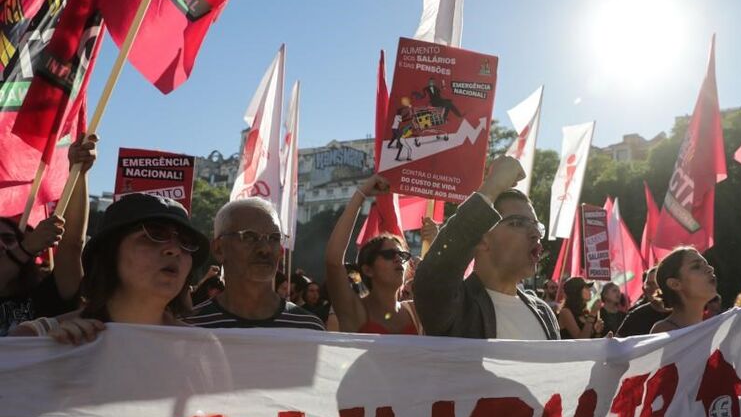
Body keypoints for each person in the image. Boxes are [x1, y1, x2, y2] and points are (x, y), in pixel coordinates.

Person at [9, 194, 210, 340]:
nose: (174, 249)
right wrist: (48, 362)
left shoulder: (202, 347)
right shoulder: (33, 339)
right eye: (155, 234)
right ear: (109, 253)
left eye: (186, 242)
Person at [414, 156, 559, 339]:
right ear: (481, 239)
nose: (535, 234)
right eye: (517, 223)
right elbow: (433, 276)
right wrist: (492, 186)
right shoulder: (457, 306)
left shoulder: (544, 313)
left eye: (536, 226)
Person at [0, 135, 97, 336]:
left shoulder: (44, 296)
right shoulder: (25, 248)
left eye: (9, 239)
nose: (2, 245)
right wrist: (25, 248)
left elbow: (71, 246)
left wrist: (78, 173)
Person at [186, 198, 324, 329]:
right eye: (249, 237)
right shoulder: (187, 329)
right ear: (218, 249)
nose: (265, 249)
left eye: (274, 238)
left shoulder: (309, 329)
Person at [325, 175, 421, 335]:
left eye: (403, 255)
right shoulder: (355, 310)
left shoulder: (415, 311)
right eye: (389, 254)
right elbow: (333, 262)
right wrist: (362, 194)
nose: (399, 259)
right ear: (368, 269)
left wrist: (432, 239)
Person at [649, 247, 718, 334]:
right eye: (696, 266)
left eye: (706, 264)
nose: (710, 269)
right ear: (675, 284)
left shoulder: (714, 326)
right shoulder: (665, 331)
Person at [618, 266, 670, 337]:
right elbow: (618, 343)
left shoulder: (682, 312)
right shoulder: (635, 316)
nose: (652, 288)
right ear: (644, 288)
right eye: (648, 284)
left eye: (655, 283)